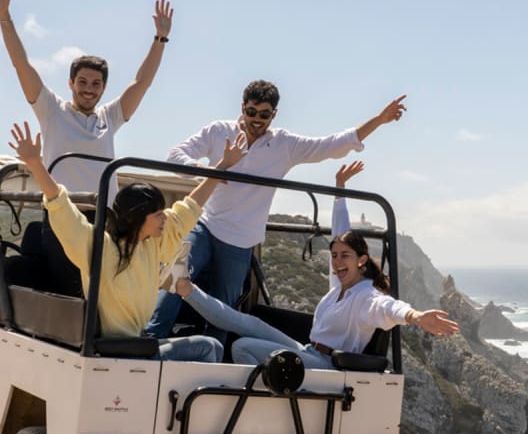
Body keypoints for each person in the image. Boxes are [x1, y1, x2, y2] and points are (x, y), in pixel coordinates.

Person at [145, 79, 407, 342]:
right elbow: (175, 156)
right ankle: (150, 339)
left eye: (264, 114)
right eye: (251, 112)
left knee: (224, 307)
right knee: (175, 273)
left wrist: (379, 120)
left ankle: (212, 352)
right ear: (242, 108)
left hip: (240, 239)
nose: (257, 119)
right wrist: (212, 171)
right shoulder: (218, 131)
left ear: (274, 115)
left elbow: (331, 145)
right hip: (206, 223)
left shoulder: (284, 144)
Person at [170, 161, 459, 368]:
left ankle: (264, 399)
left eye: (345, 256)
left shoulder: (367, 296)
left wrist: (416, 316)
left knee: (243, 346)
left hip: (327, 365)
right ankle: (184, 287)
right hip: (309, 351)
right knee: (248, 322)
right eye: (334, 255)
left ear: (361, 260)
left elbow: (389, 308)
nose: (337, 261)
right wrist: (340, 190)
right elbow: (340, 230)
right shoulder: (339, 285)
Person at [8, 121, 247, 361]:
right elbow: (61, 207)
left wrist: (222, 166)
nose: (164, 217)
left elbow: (190, 207)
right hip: (120, 351)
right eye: (158, 214)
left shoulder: (153, 243)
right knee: (210, 347)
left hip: (139, 342)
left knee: (210, 346)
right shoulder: (99, 246)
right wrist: (35, 163)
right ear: (137, 218)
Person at [0, 0, 173, 295]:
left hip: (104, 218)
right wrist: (5, 20)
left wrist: (160, 39)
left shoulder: (110, 117)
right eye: (82, 82)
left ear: (103, 88)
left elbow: (141, 83)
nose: (89, 89)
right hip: (64, 215)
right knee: (72, 288)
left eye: (95, 84)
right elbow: (22, 65)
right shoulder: (52, 110)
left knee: (99, 290)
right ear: (71, 83)